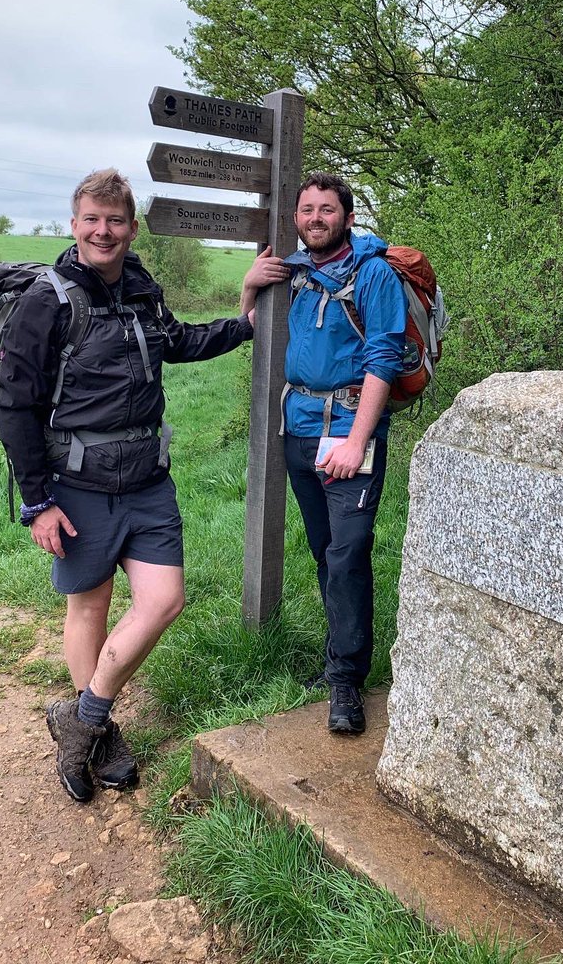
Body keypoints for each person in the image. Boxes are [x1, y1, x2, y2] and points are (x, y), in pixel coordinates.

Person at [0, 167, 283, 802]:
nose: (104, 231)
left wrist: (244, 314)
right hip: (77, 485)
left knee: (163, 601)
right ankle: (99, 732)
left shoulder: (141, 287)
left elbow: (176, 341)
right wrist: (37, 501)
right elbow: (13, 405)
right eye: (92, 219)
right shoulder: (47, 301)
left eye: (116, 220)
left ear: (130, 227)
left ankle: (82, 719)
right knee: (90, 605)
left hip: (148, 480)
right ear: (74, 225)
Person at [242, 171, 406, 734]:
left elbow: (384, 358)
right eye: (307, 210)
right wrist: (248, 286)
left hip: (349, 429)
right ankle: (340, 656)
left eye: (327, 210)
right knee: (324, 549)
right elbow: (255, 329)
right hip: (301, 428)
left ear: (348, 217)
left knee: (349, 552)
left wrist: (359, 439)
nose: (316, 218)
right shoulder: (295, 271)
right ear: (296, 218)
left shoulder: (375, 274)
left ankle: (346, 683)